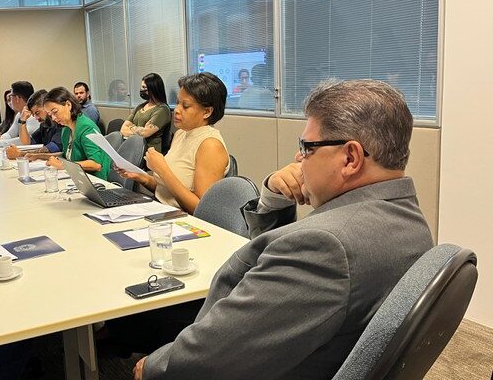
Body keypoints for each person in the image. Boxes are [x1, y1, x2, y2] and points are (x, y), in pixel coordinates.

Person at [134, 79, 434, 380]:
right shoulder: (411, 224)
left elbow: (209, 356)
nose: (297, 159)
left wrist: (153, 366)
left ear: (351, 158)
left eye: (307, 147)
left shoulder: (325, 248)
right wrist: (274, 199)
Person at [118, 73, 229, 214]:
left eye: (186, 106)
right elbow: (167, 191)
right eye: (177, 103)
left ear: (207, 112)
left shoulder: (210, 145)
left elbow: (201, 208)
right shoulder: (181, 133)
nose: (176, 110)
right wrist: (142, 177)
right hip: (160, 208)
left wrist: (161, 169)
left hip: (183, 220)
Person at [44, 87, 111, 180]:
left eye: (55, 112)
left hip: (94, 182)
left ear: (68, 105)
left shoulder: (87, 128)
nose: (53, 118)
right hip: (77, 178)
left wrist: (63, 165)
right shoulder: (66, 129)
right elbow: (67, 155)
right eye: (50, 115)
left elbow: (96, 164)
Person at [119, 73, 172, 153]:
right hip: (133, 147)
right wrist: (139, 129)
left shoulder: (162, 110)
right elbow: (123, 129)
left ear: (153, 89)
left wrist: (132, 127)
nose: (141, 90)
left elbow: (145, 133)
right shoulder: (140, 106)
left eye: (144, 87)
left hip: (149, 151)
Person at [5, 89, 63, 160]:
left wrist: (20, 154)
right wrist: (22, 121)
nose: (36, 118)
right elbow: (27, 143)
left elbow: (50, 150)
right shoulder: (44, 125)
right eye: (33, 115)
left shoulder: (60, 123)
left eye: (37, 113)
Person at [0, 82, 39, 147]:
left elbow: (26, 140)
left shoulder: (33, 116)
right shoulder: (19, 114)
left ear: (17, 98)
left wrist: (0, 143)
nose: (10, 100)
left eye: (11, 96)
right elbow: (10, 134)